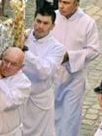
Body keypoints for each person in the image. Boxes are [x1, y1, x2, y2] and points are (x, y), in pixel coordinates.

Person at [51, 0, 99, 136]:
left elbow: (94, 50)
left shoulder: (87, 23)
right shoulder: (54, 17)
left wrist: (70, 56)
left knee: (69, 118)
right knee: (51, 115)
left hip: (74, 78)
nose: (61, 6)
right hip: (52, 74)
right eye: (60, 1)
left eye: (66, 3)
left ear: (76, 4)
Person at [21, 8, 65, 136]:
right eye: (38, 21)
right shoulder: (23, 35)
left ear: (52, 26)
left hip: (39, 100)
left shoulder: (57, 48)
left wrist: (24, 51)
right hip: (19, 96)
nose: (40, 26)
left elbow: (45, 71)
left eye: (45, 23)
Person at [0, 47, 31, 136]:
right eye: (6, 61)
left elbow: (6, 103)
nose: (8, 66)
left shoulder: (23, 83)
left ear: (21, 67)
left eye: (13, 64)